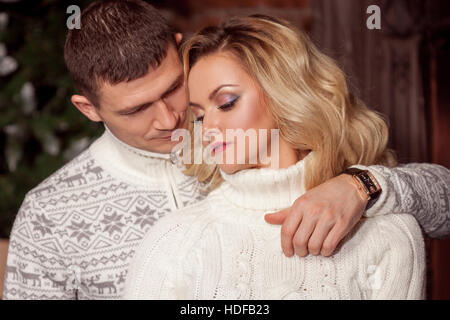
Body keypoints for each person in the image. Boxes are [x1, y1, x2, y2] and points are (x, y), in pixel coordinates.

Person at [2, 0, 449, 300]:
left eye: (175, 88)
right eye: (136, 109)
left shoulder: (246, 137)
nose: (170, 120)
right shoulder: (49, 214)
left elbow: (443, 202)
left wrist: (364, 184)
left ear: (181, 54)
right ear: (88, 108)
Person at [124, 15, 426, 299]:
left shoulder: (391, 235)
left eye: (227, 103)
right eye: (199, 116)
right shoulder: (175, 239)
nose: (209, 129)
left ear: (286, 93)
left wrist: (361, 185)